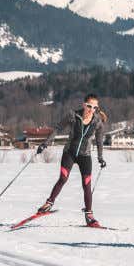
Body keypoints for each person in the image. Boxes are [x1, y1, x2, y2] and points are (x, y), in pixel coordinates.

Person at [36, 93, 107, 227]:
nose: (91, 109)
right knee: (63, 178)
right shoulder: (73, 115)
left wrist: (100, 157)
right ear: (84, 105)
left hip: (85, 155)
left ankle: (89, 215)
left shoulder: (98, 122)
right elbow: (57, 128)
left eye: (94, 107)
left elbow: (99, 141)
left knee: (86, 184)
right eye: (89, 106)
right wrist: (45, 143)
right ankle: (48, 203)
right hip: (70, 152)